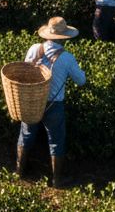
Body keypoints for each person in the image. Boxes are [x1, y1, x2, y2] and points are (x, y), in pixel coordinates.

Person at [15, 16, 86, 188]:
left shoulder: (34, 49)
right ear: (65, 38)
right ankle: (57, 180)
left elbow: (24, 71)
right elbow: (81, 81)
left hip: (33, 101)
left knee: (26, 135)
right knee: (56, 140)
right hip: (55, 105)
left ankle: (19, 172)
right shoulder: (67, 57)